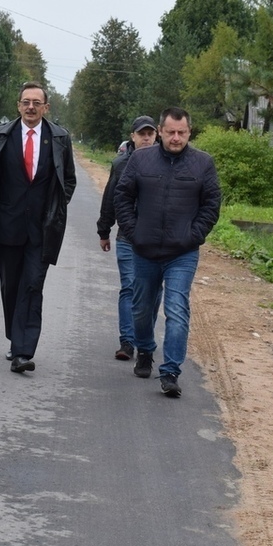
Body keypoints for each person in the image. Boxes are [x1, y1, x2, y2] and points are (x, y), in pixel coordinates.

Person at [0, 82, 77, 374]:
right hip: (7, 226)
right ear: (18, 105)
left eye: (36, 103)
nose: (31, 107)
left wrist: (55, 208)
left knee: (32, 286)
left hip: (42, 229)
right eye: (26, 102)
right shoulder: (1, 135)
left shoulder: (60, 138)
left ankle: (23, 352)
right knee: (11, 286)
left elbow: (69, 180)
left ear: (46, 108)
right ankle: (16, 339)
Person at [113, 107, 221, 396]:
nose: (176, 138)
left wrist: (193, 235)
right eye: (170, 132)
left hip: (182, 253)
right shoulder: (141, 159)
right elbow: (122, 195)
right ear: (160, 131)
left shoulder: (202, 164)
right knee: (141, 307)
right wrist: (134, 232)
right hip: (144, 249)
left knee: (176, 308)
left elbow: (211, 205)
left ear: (189, 132)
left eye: (181, 132)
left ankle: (171, 371)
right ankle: (145, 350)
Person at [97, 115, 158, 362]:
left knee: (153, 290)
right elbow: (111, 198)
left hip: (157, 241)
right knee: (130, 287)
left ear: (157, 136)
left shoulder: (167, 163)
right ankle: (127, 341)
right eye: (141, 134)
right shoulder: (121, 164)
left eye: (150, 134)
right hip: (127, 237)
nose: (146, 138)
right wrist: (104, 230)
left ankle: (145, 337)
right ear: (132, 136)